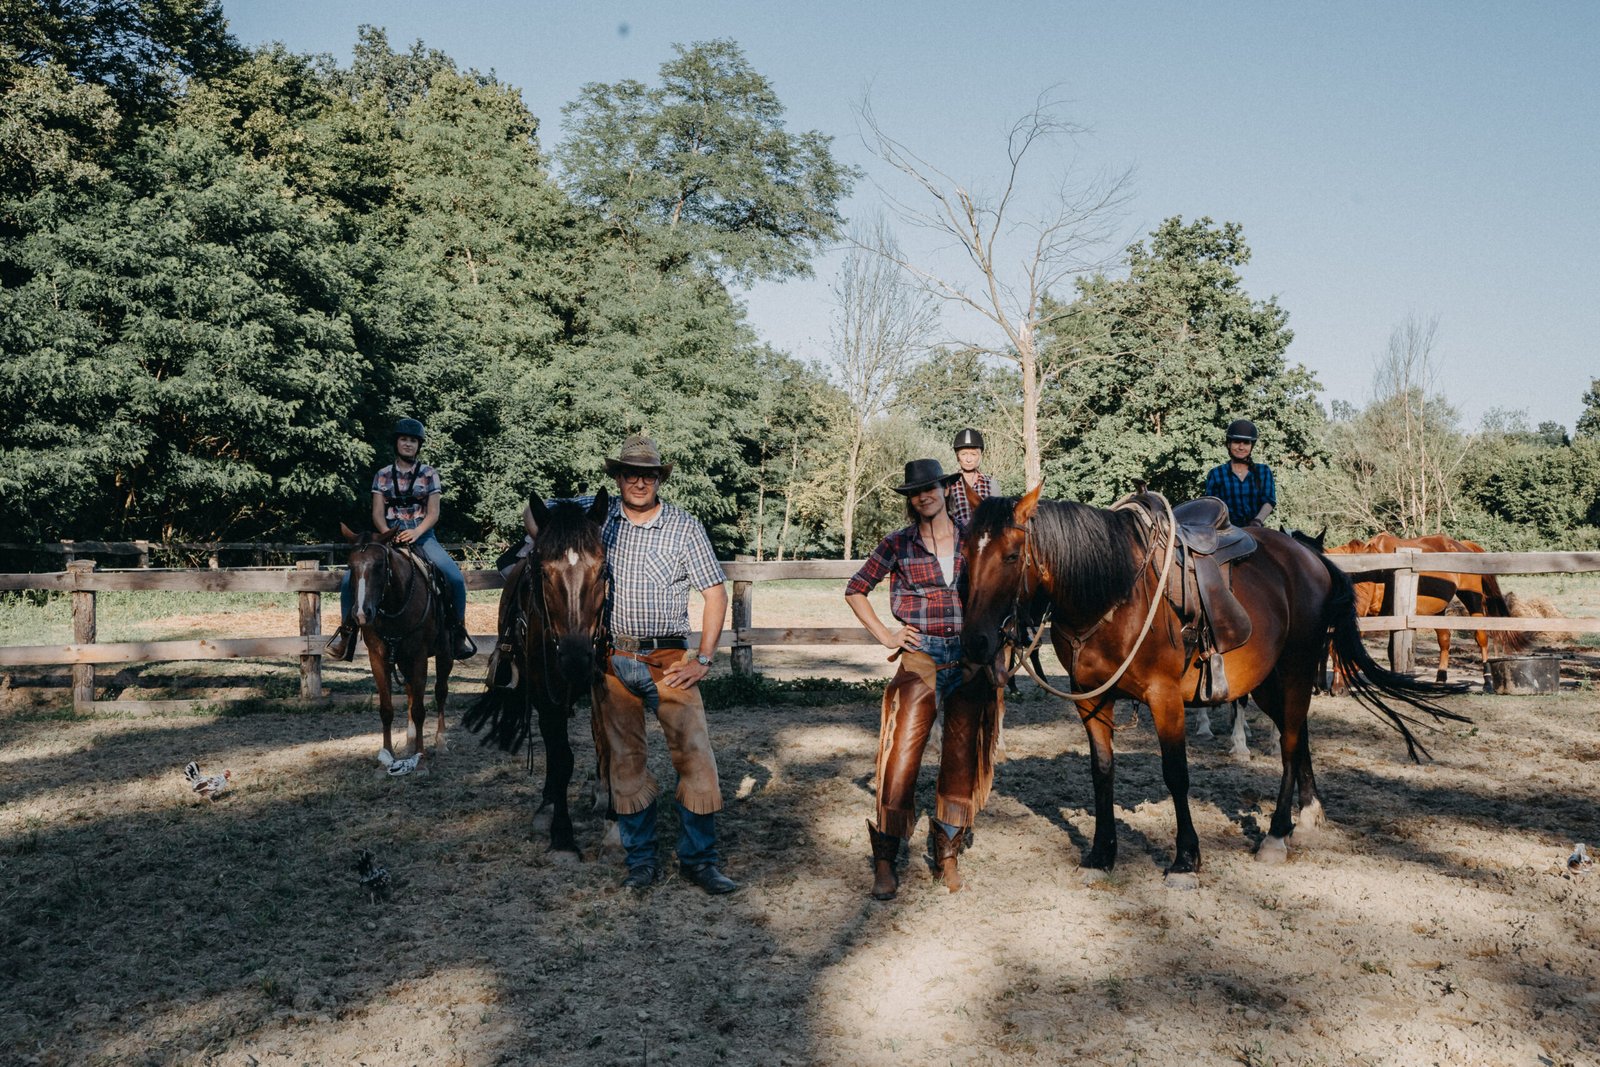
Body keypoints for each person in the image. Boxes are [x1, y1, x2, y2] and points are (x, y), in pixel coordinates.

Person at [593, 434, 738, 896]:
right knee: (625, 761)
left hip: (670, 657)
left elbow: (716, 593)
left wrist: (704, 658)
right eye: (630, 472)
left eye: (649, 474)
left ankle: (699, 860)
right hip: (614, 658)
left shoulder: (683, 526)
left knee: (695, 755)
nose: (639, 481)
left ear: (660, 478)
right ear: (617, 477)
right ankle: (640, 861)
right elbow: (545, 525)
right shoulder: (599, 525)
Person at [845, 458, 977, 900]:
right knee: (900, 755)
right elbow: (856, 589)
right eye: (915, 492)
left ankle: (947, 853)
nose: (924, 496)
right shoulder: (898, 544)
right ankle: (885, 859)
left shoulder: (972, 538)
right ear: (911, 499)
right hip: (919, 656)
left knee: (961, 755)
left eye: (931, 488)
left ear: (944, 489)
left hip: (967, 658)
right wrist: (885, 632)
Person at [327, 418, 476, 661]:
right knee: (348, 580)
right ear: (396, 443)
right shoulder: (382, 474)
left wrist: (416, 532)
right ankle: (347, 633)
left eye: (413, 441)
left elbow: (434, 512)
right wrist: (388, 535)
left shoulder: (429, 474)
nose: (408, 444)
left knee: (455, 578)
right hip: (388, 536)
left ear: (419, 445)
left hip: (422, 534)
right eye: (404, 439)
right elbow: (377, 512)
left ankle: (457, 633)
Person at [1203, 418, 1276, 528]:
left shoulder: (1263, 471)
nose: (1241, 447)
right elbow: (1212, 506)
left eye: (1246, 443)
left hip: (1256, 529)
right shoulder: (1216, 474)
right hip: (1227, 531)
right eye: (1237, 442)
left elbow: (1269, 501)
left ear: (1251, 446)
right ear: (1229, 444)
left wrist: (1257, 521)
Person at [945, 427, 999, 528]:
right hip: (956, 540)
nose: (968, 459)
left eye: (973, 454)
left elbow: (997, 516)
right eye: (964, 454)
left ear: (980, 456)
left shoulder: (991, 483)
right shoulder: (949, 484)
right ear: (957, 456)